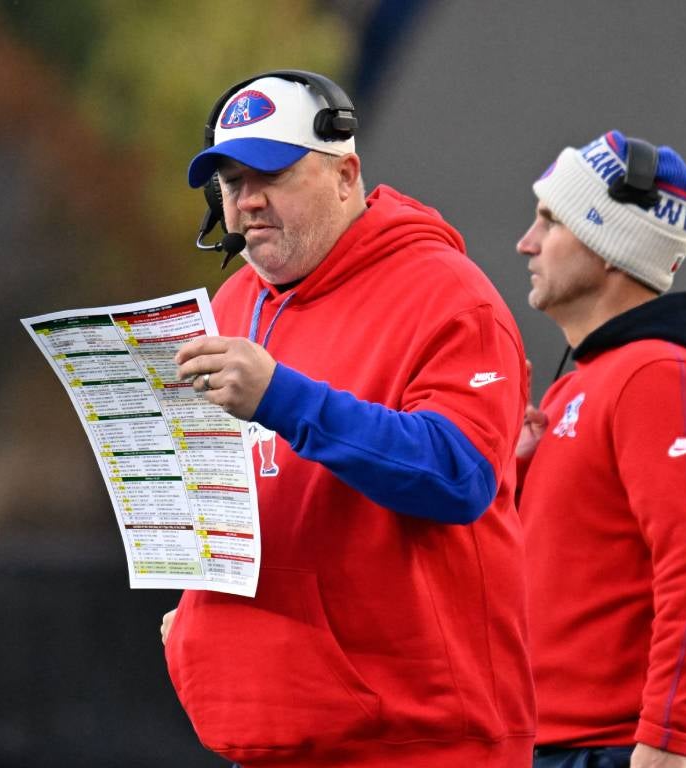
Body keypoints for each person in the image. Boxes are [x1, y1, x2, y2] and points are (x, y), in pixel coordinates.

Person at [160, 71, 535, 766]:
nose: (247, 201)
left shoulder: (448, 296)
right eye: (230, 181)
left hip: (418, 745)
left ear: (345, 173)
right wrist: (198, 619)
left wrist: (284, 398)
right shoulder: (235, 301)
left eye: (270, 174)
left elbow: (462, 476)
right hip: (266, 737)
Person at [514, 130, 686, 768]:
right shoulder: (575, 389)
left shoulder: (660, 378)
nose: (525, 243)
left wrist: (665, 743)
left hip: (627, 750)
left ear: (608, 245)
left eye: (549, 221)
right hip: (561, 745)